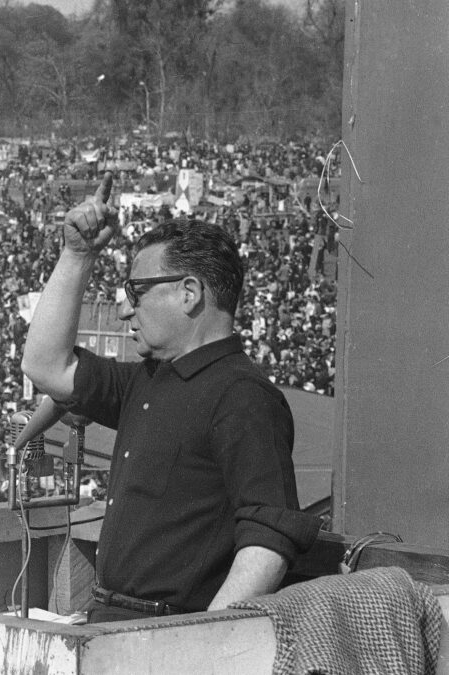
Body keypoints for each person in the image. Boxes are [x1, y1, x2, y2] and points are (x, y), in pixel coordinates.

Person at [21, 173, 321, 622]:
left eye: (136, 292)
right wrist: (77, 254)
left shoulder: (243, 397)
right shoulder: (147, 379)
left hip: (166, 632)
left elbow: (269, 534)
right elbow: (45, 366)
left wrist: (203, 638)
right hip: (114, 623)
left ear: (189, 293)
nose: (125, 309)